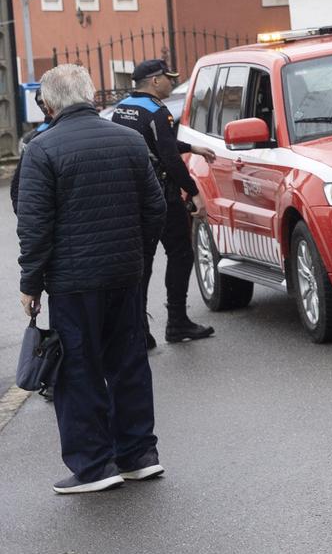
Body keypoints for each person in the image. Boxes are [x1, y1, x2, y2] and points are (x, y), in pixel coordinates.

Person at [16, 64, 168, 495]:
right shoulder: (130, 140)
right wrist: (137, 255)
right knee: (129, 362)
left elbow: (35, 226)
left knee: (78, 371)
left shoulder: (42, 151)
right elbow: (155, 208)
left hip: (74, 280)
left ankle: (94, 465)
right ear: (91, 95)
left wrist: (31, 283)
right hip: (126, 274)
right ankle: (139, 455)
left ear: (48, 104)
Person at [110, 59, 213, 345]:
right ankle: (177, 323)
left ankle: (139, 330)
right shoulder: (157, 111)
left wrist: (191, 147)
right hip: (161, 196)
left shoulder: (123, 109)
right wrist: (193, 192)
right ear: (155, 81)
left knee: (142, 263)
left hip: (133, 197)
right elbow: (167, 156)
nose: (172, 82)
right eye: (169, 78)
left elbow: (154, 143)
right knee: (181, 254)